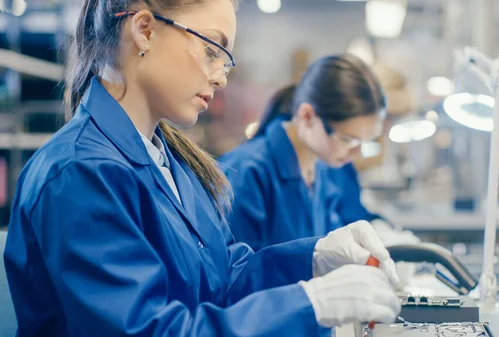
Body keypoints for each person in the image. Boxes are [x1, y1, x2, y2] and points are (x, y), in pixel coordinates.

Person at [2, 1, 403, 336]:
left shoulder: (170, 160)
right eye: (213, 49)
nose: (222, 77)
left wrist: (313, 257)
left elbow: (222, 278)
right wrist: (310, 303)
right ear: (145, 30)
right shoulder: (79, 175)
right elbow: (147, 330)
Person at [220, 54, 386, 252]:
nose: (357, 153)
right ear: (307, 117)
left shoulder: (322, 169)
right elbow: (235, 273)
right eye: (347, 140)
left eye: (364, 142)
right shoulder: (246, 172)